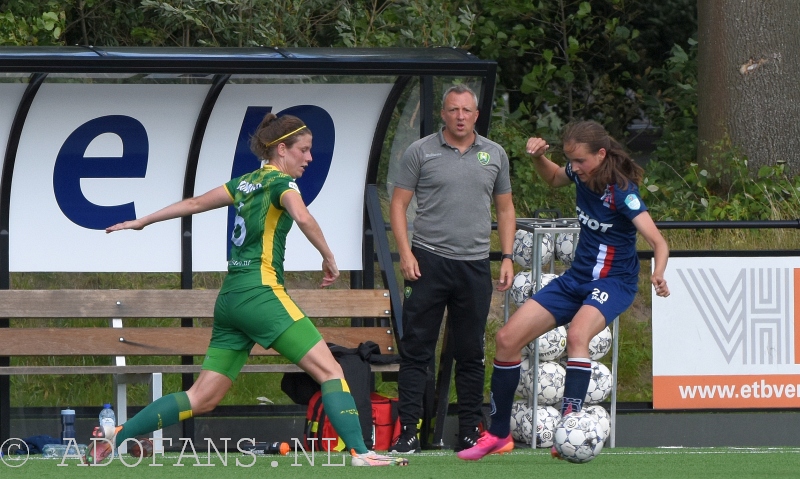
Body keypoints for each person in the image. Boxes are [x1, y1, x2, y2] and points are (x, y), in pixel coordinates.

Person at [88, 113, 408, 467]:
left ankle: (118, 435)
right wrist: (329, 257)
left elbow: (193, 204)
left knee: (201, 397)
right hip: (261, 293)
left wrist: (143, 220)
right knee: (331, 371)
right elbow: (302, 217)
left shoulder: (245, 183)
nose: (309, 158)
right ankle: (361, 453)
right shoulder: (281, 183)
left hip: (230, 300)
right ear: (282, 150)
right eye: (304, 150)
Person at [457, 120, 670, 461]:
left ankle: (569, 426)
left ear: (601, 155)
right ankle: (498, 434)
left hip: (614, 283)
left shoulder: (622, 192)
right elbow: (554, 177)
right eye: (570, 160)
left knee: (577, 337)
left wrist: (658, 274)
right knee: (507, 339)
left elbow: (658, 242)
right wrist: (539, 158)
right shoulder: (579, 174)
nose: (574, 168)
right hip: (576, 280)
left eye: (580, 161)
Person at [389, 84, 516, 453]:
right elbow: (398, 206)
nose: (460, 116)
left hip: (474, 265)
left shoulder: (494, 154)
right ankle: (409, 431)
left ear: (476, 114)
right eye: (453, 110)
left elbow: (505, 209)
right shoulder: (421, 151)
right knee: (417, 350)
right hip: (427, 261)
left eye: (467, 110)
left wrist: (506, 256)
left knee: (471, 352)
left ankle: (469, 431)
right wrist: (405, 253)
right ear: (443, 114)